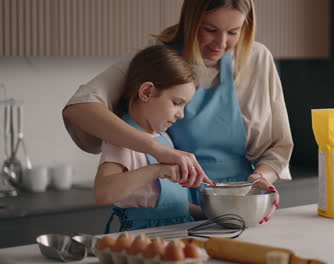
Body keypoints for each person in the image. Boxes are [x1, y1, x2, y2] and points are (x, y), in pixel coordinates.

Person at [62, 0, 293, 224]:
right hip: (179, 197)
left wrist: (261, 180)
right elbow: (80, 108)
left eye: (234, 32)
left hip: (238, 200)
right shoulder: (158, 57)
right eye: (210, 30)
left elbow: (278, 147)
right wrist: (158, 151)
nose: (221, 44)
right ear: (190, 21)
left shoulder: (257, 58)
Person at [94, 45, 206, 232]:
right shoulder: (123, 138)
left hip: (179, 230)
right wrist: (156, 170)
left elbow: (168, 205)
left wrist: (206, 214)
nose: (181, 115)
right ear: (146, 92)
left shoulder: (164, 137)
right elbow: (103, 193)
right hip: (144, 236)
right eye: (177, 103)